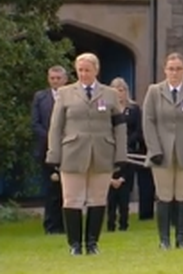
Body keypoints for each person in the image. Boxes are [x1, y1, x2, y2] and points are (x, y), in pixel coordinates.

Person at [46, 53, 127, 255]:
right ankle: (74, 244)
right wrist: (53, 154)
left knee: (97, 198)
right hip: (72, 152)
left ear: (96, 70)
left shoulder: (109, 94)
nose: (83, 74)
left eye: (87, 70)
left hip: (102, 152)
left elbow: (119, 127)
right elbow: (56, 127)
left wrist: (121, 154)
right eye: (80, 70)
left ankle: (92, 243)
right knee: (71, 199)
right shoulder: (65, 93)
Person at [143, 52, 183, 249]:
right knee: (164, 195)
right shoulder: (154, 91)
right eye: (171, 69)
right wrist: (154, 148)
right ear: (165, 70)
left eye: (178, 69)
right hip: (161, 153)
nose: (174, 72)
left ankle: (181, 238)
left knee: (182, 195)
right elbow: (148, 121)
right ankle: (164, 240)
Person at [31, 65, 68, 235]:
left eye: (58, 78)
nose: (55, 81)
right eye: (52, 78)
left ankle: (65, 225)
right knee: (50, 189)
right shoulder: (40, 97)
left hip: (68, 149)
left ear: (65, 79)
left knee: (65, 190)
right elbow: (35, 123)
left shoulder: (71, 95)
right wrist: (51, 138)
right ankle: (51, 226)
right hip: (45, 149)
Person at [106, 77, 143, 231]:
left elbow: (138, 130)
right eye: (115, 90)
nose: (118, 93)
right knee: (111, 194)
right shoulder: (106, 108)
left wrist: (126, 142)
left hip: (129, 152)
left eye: (121, 90)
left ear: (126, 91)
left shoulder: (134, 109)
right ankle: (110, 224)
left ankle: (124, 224)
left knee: (124, 192)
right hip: (110, 152)